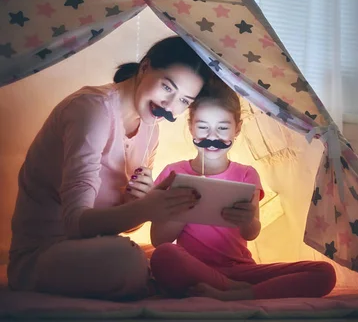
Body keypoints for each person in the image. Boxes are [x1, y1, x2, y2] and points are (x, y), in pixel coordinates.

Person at [8, 36, 212, 300]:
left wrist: (138, 201)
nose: (170, 106)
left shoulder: (150, 130)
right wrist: (145, 208)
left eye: (184, 101)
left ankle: (229, 288)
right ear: (145, 67)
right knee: (128, 261)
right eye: (167, 87)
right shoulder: (91, 110)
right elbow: (75, 223)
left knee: (166, 257)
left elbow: (119, 227)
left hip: (93, 248)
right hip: (43, 254)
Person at [149, 78, 337, 300]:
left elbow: (251, 232)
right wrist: (183, 209)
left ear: (236, 129)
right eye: (202, 127)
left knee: (324, 273)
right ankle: (232, 291)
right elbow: (158, 239)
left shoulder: (246, 174)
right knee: (164, 255)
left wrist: (247, 219)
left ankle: (237, 291)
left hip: (241, 270)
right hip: (194, 269)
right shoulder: (173, 173)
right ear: (190, 127)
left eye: (222, 128)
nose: (212, 137)